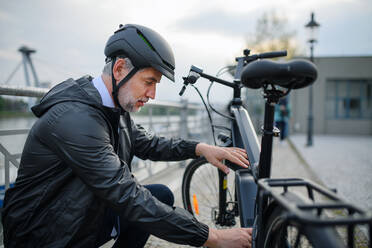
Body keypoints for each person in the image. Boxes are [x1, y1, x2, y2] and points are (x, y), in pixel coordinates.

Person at [2, 24, 252, 248]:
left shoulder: (112, 107)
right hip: (42, 233)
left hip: (78, 214)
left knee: (159, 195)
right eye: (148, 82)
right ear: (120, 69)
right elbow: (125, 194)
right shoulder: (76, 118)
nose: (152, 94)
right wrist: (213, 237)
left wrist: (200, 148)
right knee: (139, 202)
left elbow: (150, 143)